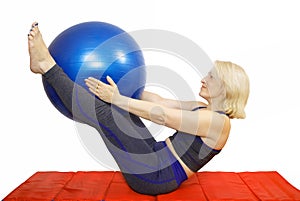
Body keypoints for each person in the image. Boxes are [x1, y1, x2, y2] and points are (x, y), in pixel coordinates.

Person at [28, 22, 250, 195]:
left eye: (210, 77)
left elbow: (162, 116)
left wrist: (116, 98)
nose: (203, 79)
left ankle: (46, 65)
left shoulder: (218, 122)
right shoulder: (203, 109)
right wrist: (127, 89)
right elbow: (162, 103)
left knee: (106, 114)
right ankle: (50, 69)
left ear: (224, 88)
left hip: (155, 177)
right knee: (119, 109)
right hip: (154, 157)